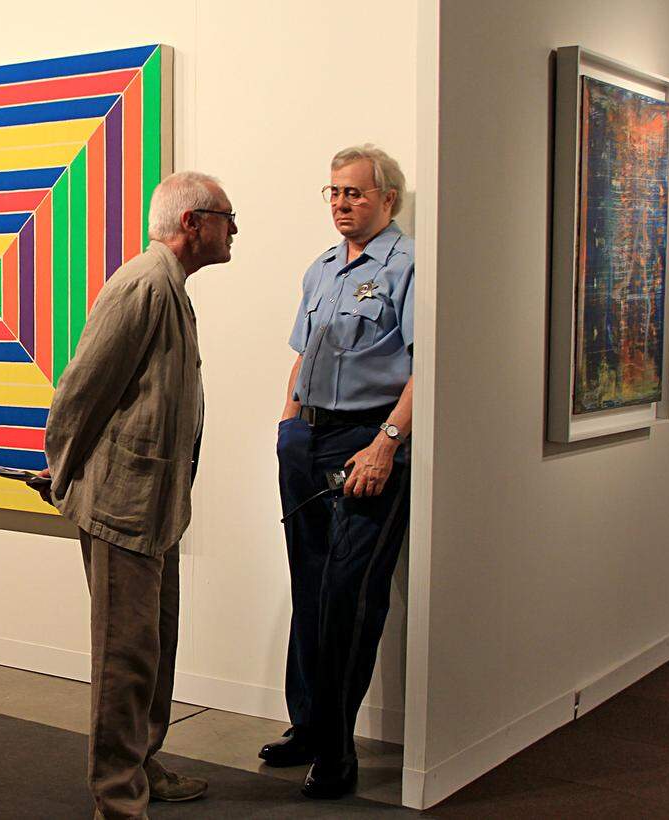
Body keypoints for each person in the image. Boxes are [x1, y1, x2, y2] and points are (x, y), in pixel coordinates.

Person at [38, 171, 237, 819]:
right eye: (227, 218)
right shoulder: (143, 285)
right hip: (121, 506)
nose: (234, 231)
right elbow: (79, 392)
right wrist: (63, 476)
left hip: (156, 505)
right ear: (193, 224)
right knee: (123, 659)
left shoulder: (170, 286)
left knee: (153, 647)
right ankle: (118, 798)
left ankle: (143, 763)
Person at [259, 145, 414, 799]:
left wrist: (385, 444)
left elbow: (428, 364)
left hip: (368, 441)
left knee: (350, 595)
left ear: (387, 199)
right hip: (309, 440)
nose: (342, 203)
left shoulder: (410, 266)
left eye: (355, 192)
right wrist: (289, 426)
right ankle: (308, 726)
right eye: (334, 192)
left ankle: (337, 748)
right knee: (310, 585)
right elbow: (304, 354)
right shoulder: (321, 268)